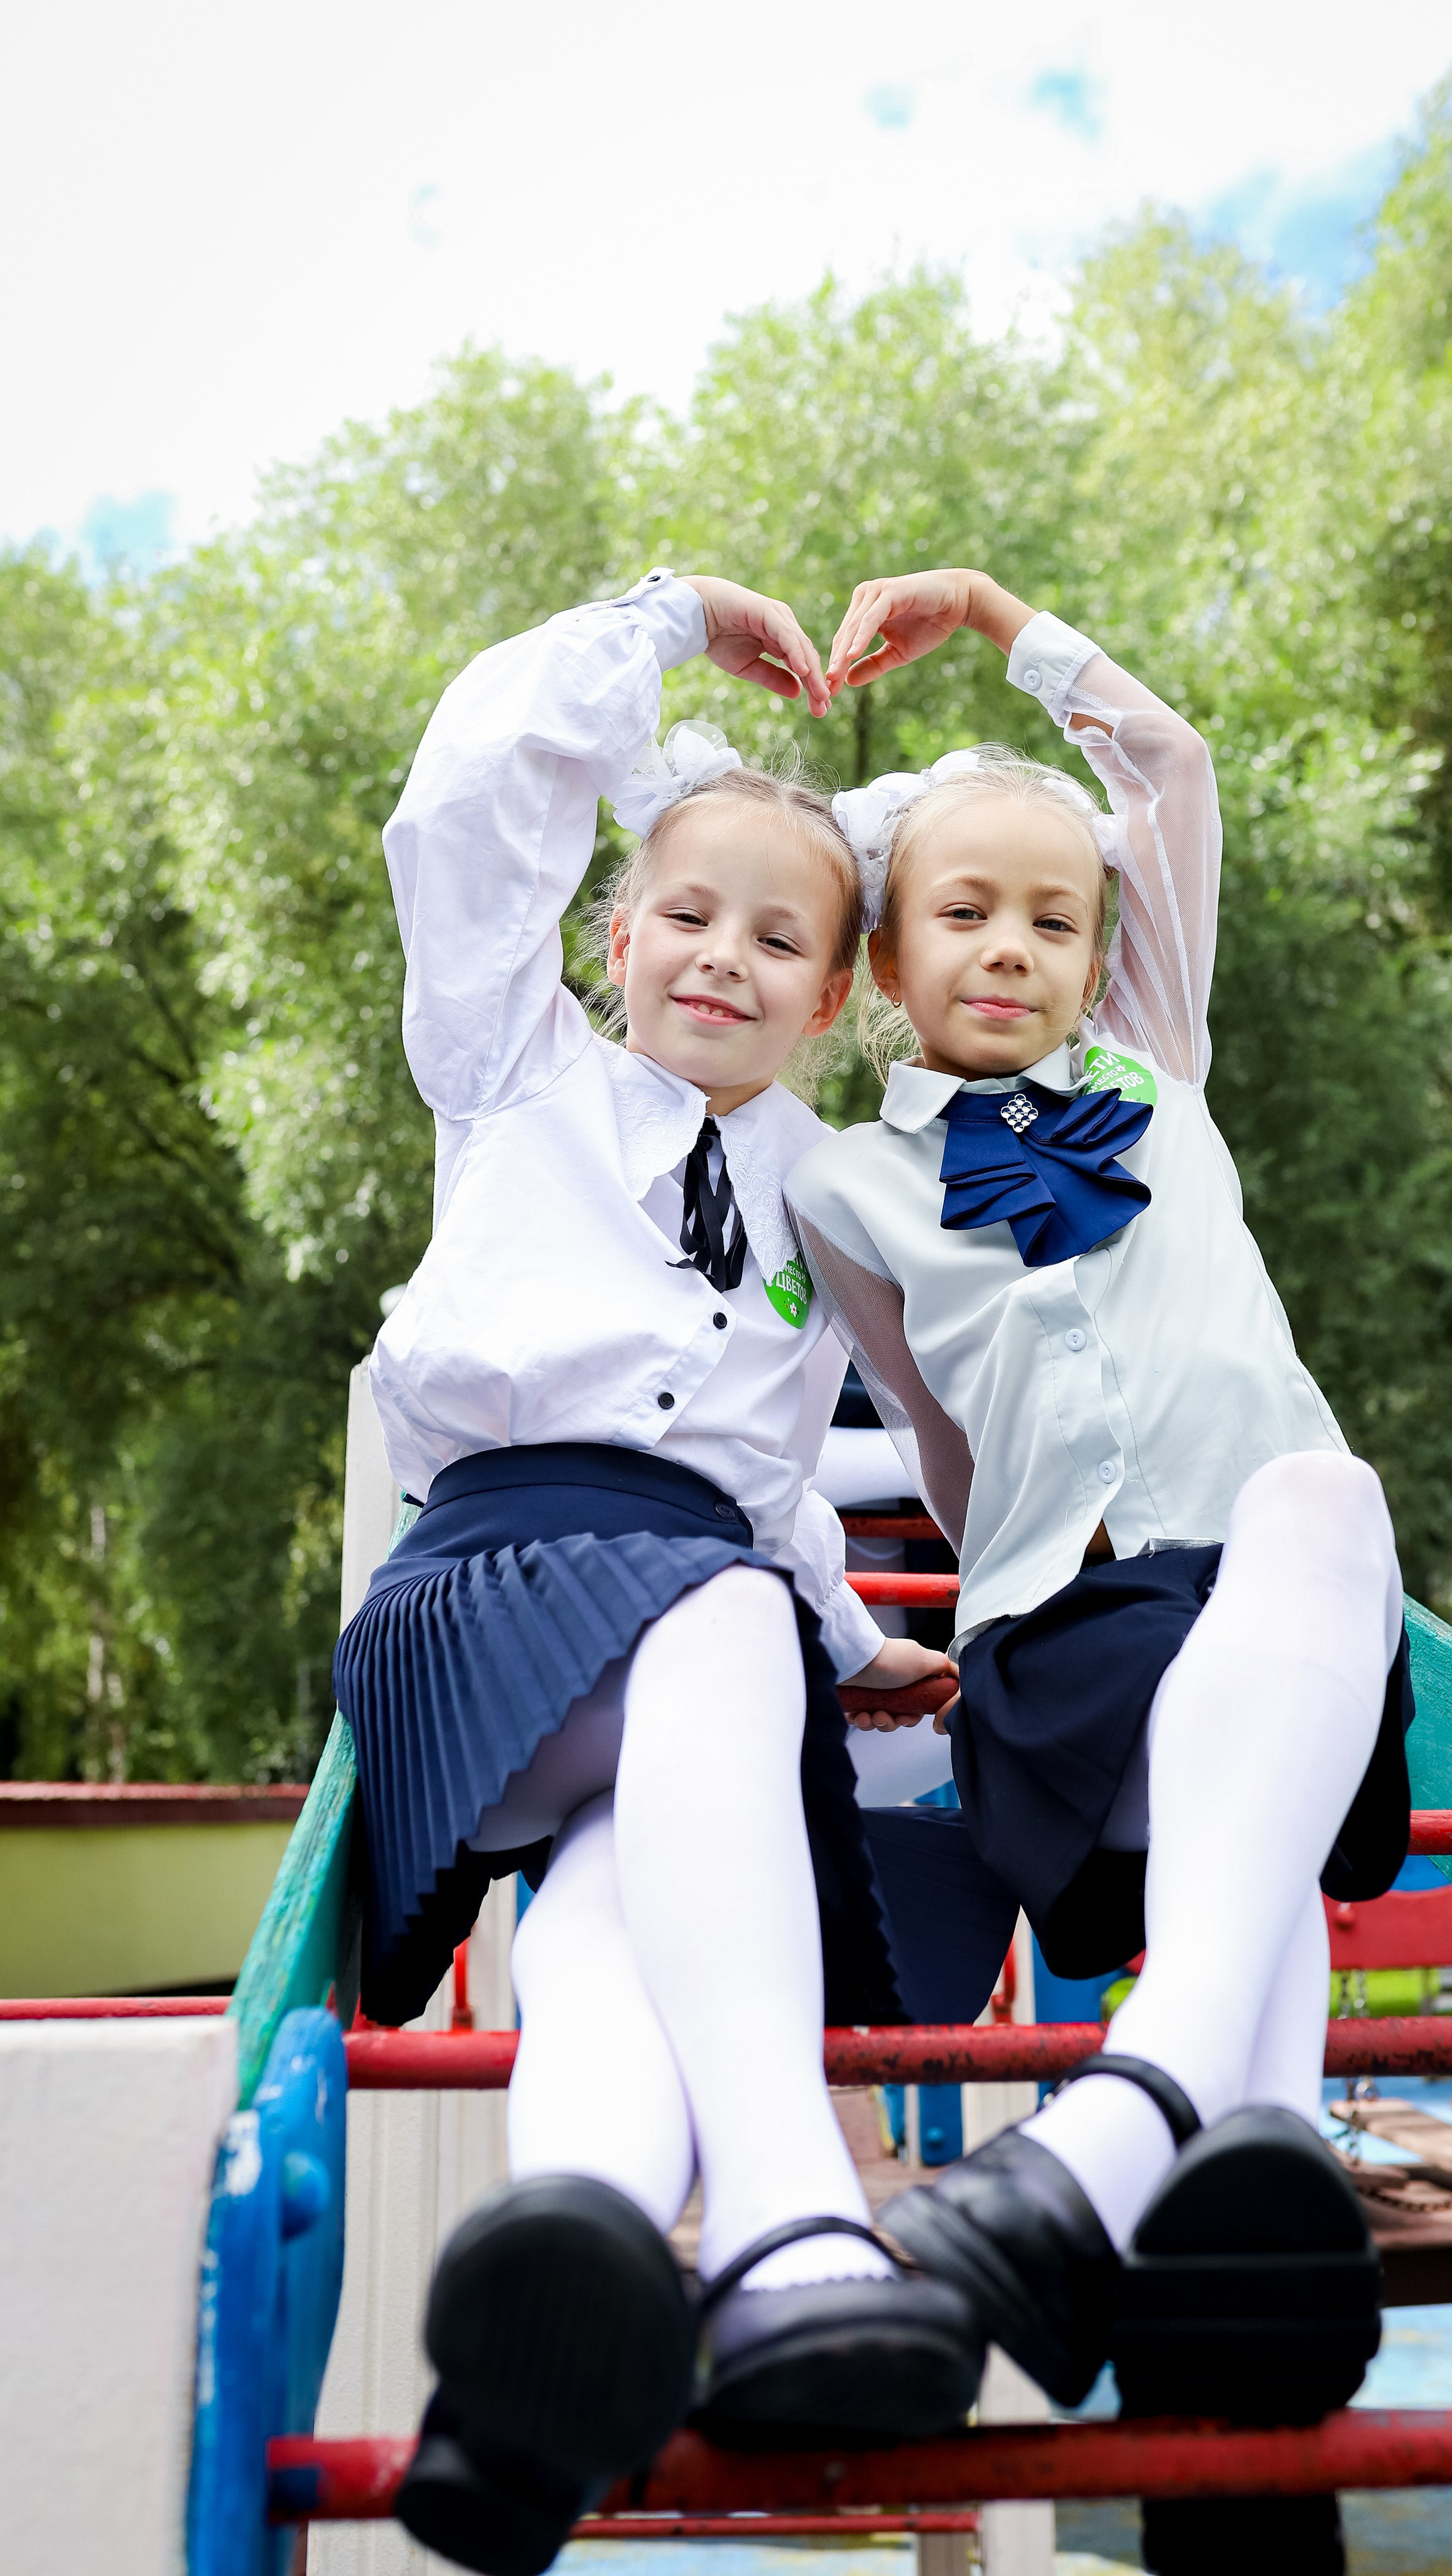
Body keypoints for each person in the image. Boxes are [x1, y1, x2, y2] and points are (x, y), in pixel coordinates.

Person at [333, 569, 984, 2576]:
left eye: (781, 939)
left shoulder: (820, 1192)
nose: (725, 958)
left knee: (616, 1918)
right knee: (721, 1622)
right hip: (490, 1598)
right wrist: (667, 618)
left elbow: (767, 1484)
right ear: (614, 938)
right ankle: (794, 2219)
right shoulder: (512, 1072)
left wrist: (857, 1640)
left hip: (678, 1652)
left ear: (833, 999)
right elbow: (469, 797)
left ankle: (560, 2308)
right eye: (688, 916)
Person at [786, 568, 1410, 2455]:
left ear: (1102, 950)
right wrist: (879, 1633)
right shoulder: (848, 1187)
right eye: (965, 912)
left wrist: (999, 618)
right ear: (885, 962)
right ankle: (1219, 2150)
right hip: (1069, 1646)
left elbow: (1170, 766)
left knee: (1320, 1500)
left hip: (1277, 1609)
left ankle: (1170, 2187)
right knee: (1294, 1659)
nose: (1015, 947)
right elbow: (936, 1444)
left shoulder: (1158, 1067)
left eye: (1056, 919)